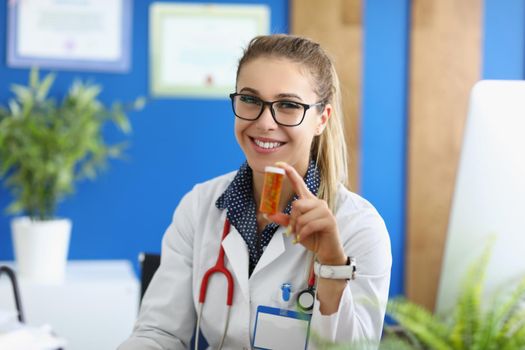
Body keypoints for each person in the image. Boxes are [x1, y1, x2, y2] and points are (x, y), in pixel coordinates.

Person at [119, 34, 391, 350]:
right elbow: (158, 334)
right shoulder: (200, 206)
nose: (264, 122)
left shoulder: (358, 227)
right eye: (250, 100)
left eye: (288, 105)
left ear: (322, 119)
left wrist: (332, 265)